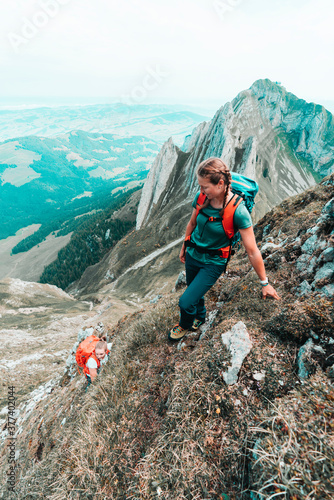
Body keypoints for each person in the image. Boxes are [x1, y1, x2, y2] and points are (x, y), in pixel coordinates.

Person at [168, 157, 280, 341]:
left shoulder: (238, 211)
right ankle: (200, 317)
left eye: (205, 187)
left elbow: (252, 251)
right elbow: (192, 223)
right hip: (193, 254)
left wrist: (264, 283)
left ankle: (185, 325)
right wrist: (184, 246)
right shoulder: (201, 198)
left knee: (185, 301)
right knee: (194, 290)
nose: (201, 191)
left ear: (220, 184)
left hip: (213, 262)